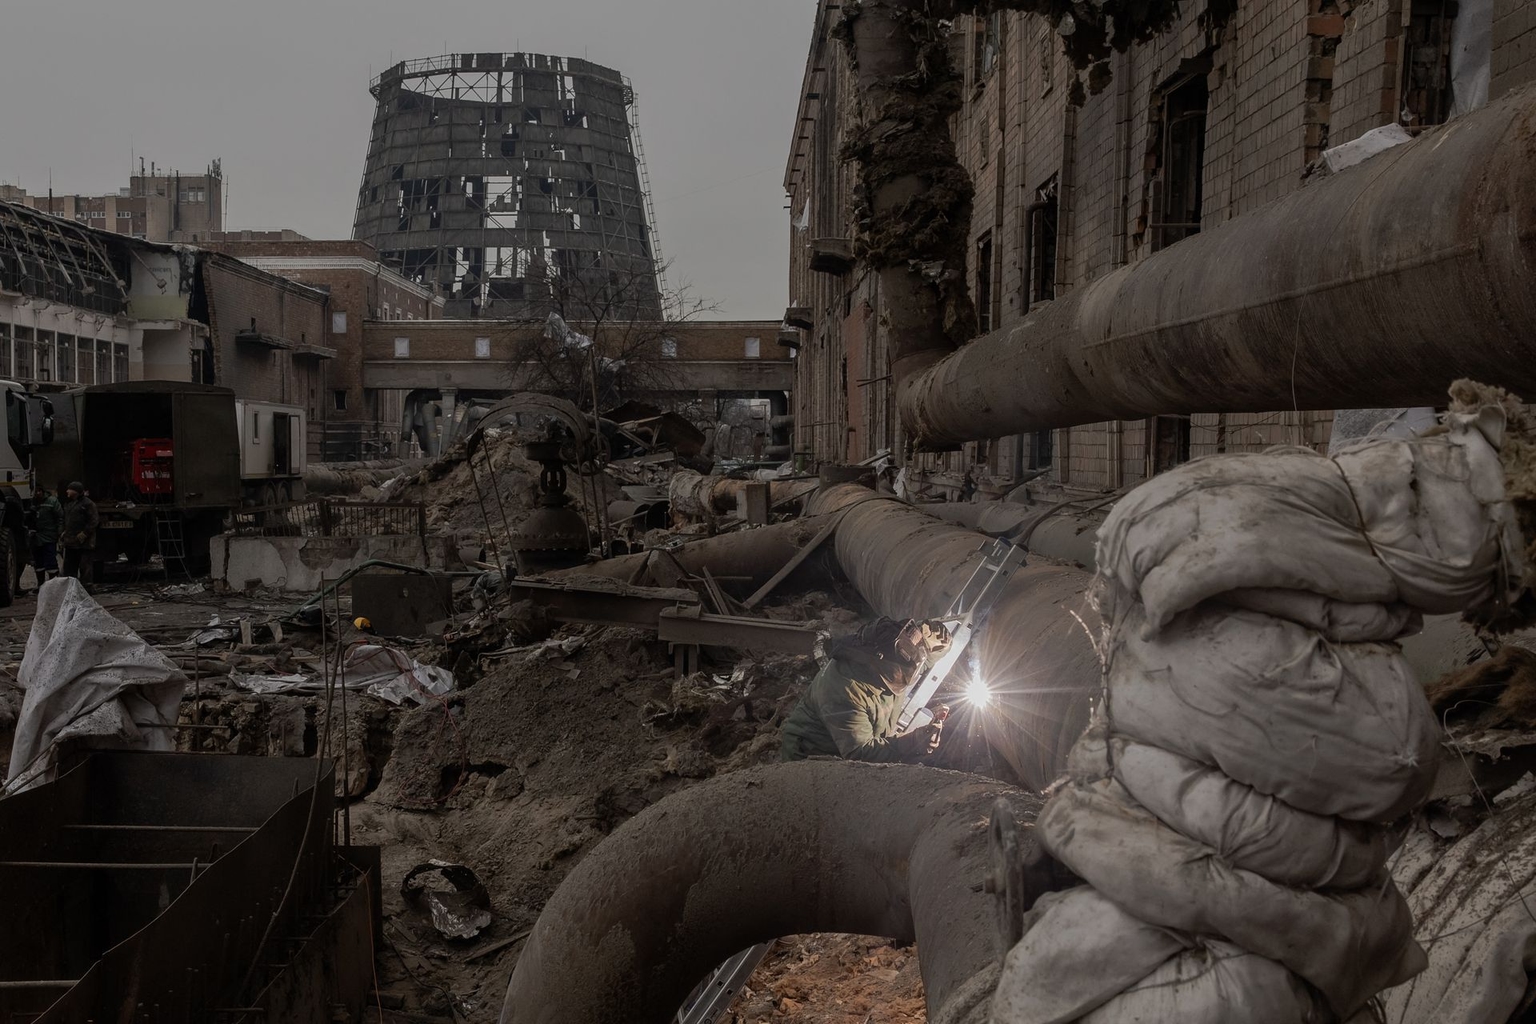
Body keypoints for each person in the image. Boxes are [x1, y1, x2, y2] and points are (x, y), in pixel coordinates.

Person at [780, 617, 952, 763]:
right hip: (813, 758)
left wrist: (939, 641)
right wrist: (910, 742)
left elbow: (918, 644)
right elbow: (860, 754)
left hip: (851, 743)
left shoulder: (890, 644)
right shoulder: (847, 692)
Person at [60, 481, 98, 584]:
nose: (67, 491)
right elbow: (66, 520)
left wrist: (85, 533)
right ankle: (71, 589)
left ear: (76, 491)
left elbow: (93, 521)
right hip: (71, 542)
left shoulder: (88, 504)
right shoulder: (69, 503)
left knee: (85, 568)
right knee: (69, 569)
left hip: (84, 543)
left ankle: (87, 589)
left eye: (70, 489)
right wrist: (64, 532)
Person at [30, 485, 62, 586]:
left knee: (50, 561)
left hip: (49, 536)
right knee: (38, 562)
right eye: (35, 491)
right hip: (36, 537)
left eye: (39, 491)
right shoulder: (31, 503)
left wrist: (59, 532)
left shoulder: (52, 501)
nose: (37, 493)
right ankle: (41, 585)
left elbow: (60, 517)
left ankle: (54, 585)